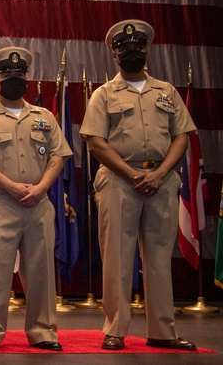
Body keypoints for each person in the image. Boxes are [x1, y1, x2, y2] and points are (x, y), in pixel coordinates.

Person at [80, 20, 197, 351]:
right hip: (119, 179)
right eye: (124, 48)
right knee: (117, 256)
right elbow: (95, 142)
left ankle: (162, 331)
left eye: (137, 47)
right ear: (114, 55)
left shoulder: (167, 91)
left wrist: (160, 173)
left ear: (146, 50)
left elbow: (181, 137)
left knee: (160, 258)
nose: (131, 52)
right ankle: (115, 329)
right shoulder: (104, 94)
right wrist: (133, 175)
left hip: (161, 180)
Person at [0, 47, 71, 351]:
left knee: (41, 270)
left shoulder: (44, 116)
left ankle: (43, 331)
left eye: (20, 74)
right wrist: (11, 186)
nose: (15, 79)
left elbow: (58, 157)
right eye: (7, 75)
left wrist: (41, 188)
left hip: (38, 202)